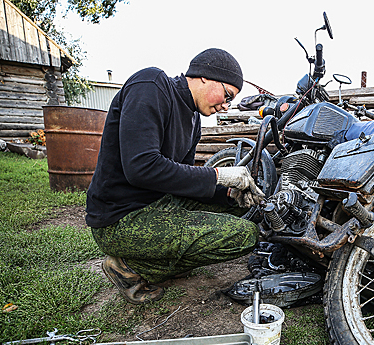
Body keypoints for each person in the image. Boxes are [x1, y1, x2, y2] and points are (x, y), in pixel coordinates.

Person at [85, 48, 264, 305]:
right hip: (120, 217)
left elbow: (180, 181)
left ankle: (164, 255)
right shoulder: (150, 85)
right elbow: (141, 167)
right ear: (205, 76)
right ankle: (128, 266)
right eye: (227, 95)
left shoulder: (193, 119)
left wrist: (227, 193)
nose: (226, 106)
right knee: (244, 235)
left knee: (238, 208)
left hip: (158, 203)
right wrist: (218, 175)